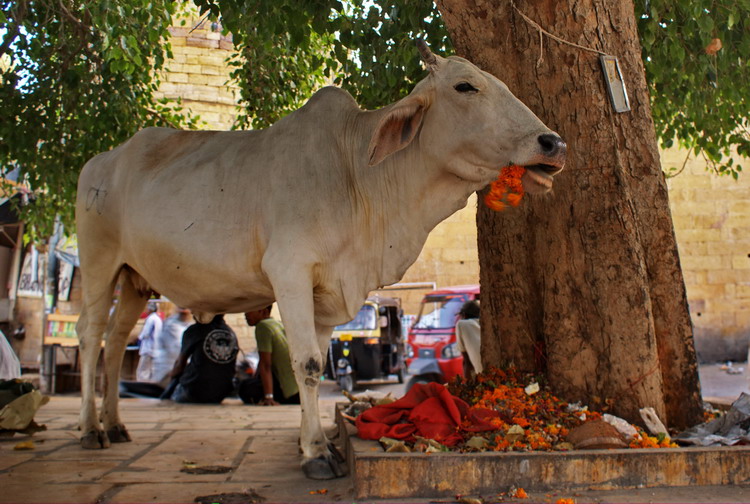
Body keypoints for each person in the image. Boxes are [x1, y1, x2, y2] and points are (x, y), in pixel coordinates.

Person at [168, 314, 239, 404]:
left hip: (194, 391)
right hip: (221, 393)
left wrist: (171, 378)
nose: (193, 313)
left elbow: (180, 366)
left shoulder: (195, 330)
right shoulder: (230, 332)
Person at [239, 306, 299, 406]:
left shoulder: (263, 326)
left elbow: (265, 364)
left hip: (288, 394)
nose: (245, 314)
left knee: (245, 388)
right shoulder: (277, 324)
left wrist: (268, 397)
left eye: (249, 309)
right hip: (298, 392)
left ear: (263, 311)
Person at [151, 307, 192, 387]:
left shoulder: (189, 325)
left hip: (179, 367)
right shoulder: (171, 325)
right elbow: (176, 349)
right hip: (168, 367)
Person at [135, 302, 163, 382]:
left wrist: (138, 338)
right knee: (151, 370)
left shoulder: (151, 318)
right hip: (156, 348)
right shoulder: (158, 319)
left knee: (143, 371)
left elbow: (146, 333)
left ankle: (141, 387)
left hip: (148, 348)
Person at [455, 300, 482, 377]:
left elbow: (467, 362)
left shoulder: (462, 324)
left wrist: (467, 385)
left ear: (464, 315)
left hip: (484, 375)